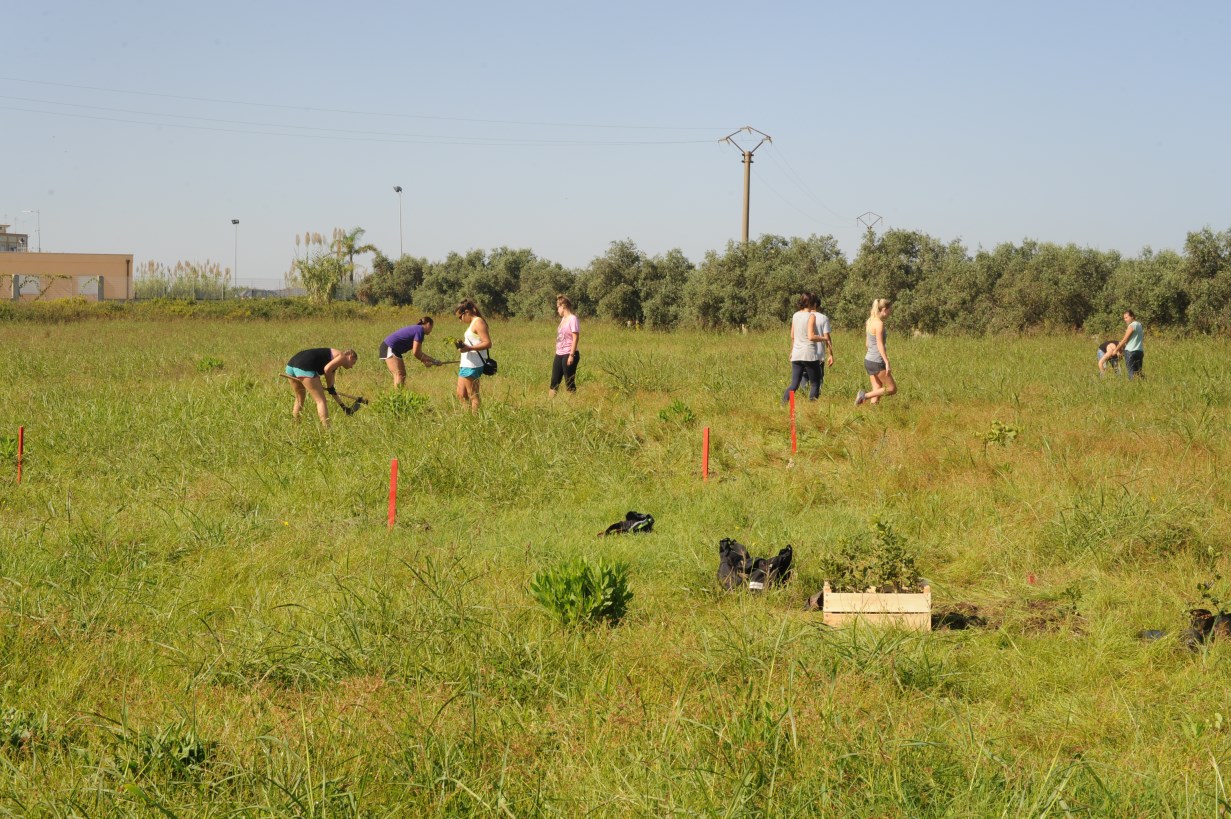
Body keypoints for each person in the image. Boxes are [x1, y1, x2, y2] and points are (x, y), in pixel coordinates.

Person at [284, 347, 358, 427]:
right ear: (350, 357)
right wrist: (330, 387)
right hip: (305, 367)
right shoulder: (342, 356)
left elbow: (332, 390)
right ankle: (327, 430)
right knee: (321, 401)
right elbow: (327, 369)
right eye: (353, 363)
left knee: (300, 398)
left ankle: (295, 426)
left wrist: (343, 407)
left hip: (291, 366)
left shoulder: (334, 361)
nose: (352, 367)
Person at [783, 292, 825, 402]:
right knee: (815, 383)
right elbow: (811, 336)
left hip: (796, 354)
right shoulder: (811, 316)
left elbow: (792, 335)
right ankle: (812, 407)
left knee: (794, 384)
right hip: (809, 354)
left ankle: (783, 404)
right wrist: (823, 338)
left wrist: (792, 351)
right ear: (812, 303)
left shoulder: (795, 315)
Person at [380, 318, 442, 388]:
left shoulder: (418, 329)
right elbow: (416, 352)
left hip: (394, 350)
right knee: (399, 374)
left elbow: (418, 354)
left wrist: (426, 360)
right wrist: (434, 360)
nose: (431, 330)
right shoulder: (420, 330)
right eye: (432, 327)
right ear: (428, 324)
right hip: (389, 347)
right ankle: (398, 397)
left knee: (402, 374)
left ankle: (400, 395)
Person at [453, 298, 492, 412]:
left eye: (460, 317)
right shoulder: (472, 323)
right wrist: (463, 346)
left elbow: (487, 343)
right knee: (461, 394)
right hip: (466, 363)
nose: (460, 320)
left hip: (473, 365)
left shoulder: (478, 322)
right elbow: (475, 342)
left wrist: (469, 348)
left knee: (473, 396)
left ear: (467, 312)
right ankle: (468, 417)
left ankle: (476, 421)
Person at [856, 298, 895, 406]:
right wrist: (886, 362)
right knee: (891, 388)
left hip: (869, 359)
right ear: (883, 309)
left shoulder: (870, 321)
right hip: (877, 360)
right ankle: (864, 396)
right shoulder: (879, 324)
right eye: (889, 310)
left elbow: (867, 344)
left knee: (877, 389)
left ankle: (873, 413)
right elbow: (879, 344)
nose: (890, 313)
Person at [799, 296, 835, 396]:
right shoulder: (823, 318)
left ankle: (803, 396)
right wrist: (830, 355)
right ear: (817, 305)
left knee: (804, 376)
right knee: (818, 379)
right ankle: (814, 399)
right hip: (818, 355)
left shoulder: (801, 316)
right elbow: (827, 338)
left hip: (803, 353)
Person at [550, 294, 580, 396]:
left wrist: (571, 355)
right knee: (554, 381)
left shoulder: (573, 319)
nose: (557, 310)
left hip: (569, 353)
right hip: (559, 353)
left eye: (558, 307)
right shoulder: (563, 320)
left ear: (563, 306)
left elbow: (575, 337)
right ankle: (549, 405)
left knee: (569, 381)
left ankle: (573, 404)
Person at [1114, 310, 1145, 379]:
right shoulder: (1139, 325)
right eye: (1124, 318)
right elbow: (1130, 340)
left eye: (1126, 317)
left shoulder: (1132, 325)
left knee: (1131, 374)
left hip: (1130, 352)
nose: (1125, 320)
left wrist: (1116, 349)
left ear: (1132, 316)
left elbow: (1125, 339)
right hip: (1139, 352)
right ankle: (1144, 384)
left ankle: (1133, 386)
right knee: (1138, 373)